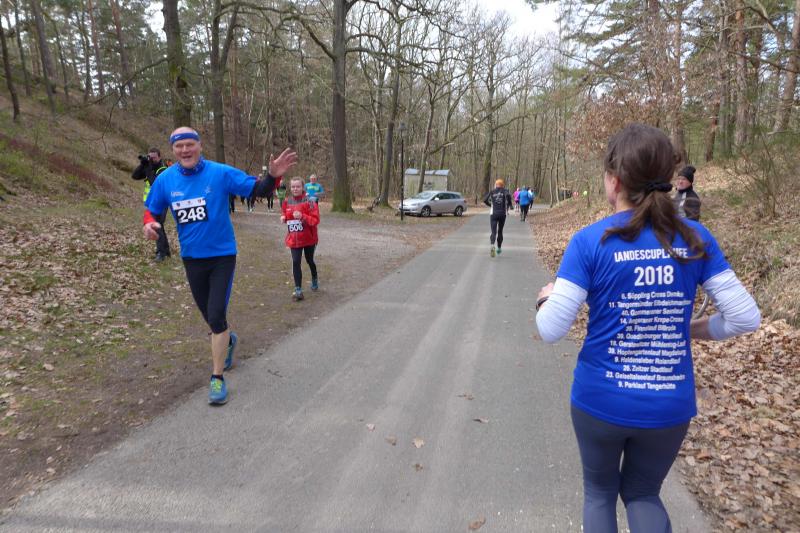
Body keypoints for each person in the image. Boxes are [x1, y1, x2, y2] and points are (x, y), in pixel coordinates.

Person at [535, 123, 760, 533]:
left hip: (600, 400)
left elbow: (551, 329)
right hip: (668, 405)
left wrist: (546, 298)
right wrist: (689, 330)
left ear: (614, 180)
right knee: (642, 494)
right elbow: (745, 317)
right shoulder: (694, 237)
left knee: (599, 494)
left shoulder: (590, 241)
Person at [142, 127, 297, 405]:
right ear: (173, 150)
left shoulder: (220, 173)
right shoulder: (166, 179)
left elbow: (257, 189)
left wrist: (273, 176)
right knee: (212, 319)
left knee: (215, 316)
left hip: (222, 256)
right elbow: (152, 209)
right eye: (179, 146)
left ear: (199, 146)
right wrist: (149, 224)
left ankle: (216, 378)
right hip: (192, 258)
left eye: (190, 144)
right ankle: (228, 339)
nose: (185, 150)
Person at [281, 177, 320, 300]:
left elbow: (315, 220)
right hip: (294, 238)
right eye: (293, 187)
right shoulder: (287, 201)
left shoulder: (310, 201)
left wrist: (303, 216)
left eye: (298, 186)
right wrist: (284, 218)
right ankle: (298, 289)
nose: (295, 189)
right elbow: (286, 215)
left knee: (309, 260)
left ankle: (314, 277)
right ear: (290, 188)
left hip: (309, 238)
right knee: (296, 261)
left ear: (303, 187)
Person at [132, 147, 171, 262]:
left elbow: (155, 183)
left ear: (159, 157)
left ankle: (161, 253)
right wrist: (143, 165)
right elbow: (134, 176)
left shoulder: (163, 169)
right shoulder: (149, 166)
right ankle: (166, 250)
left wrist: (148, 168)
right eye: (150, 157)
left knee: (156, 224)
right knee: (159, 225)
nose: (152, 160)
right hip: (152, 202)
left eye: (154, 158)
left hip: (162, 200)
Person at [483, 178, 513, 257]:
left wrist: (490, 205)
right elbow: (508, 196)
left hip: (494, 214)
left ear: (496, 185)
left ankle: (492, 246)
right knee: (500, 231)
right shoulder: (505, 191)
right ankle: (499, 248)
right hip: (502, 214)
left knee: (493, 232)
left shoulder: (492, 191)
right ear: (502, 185)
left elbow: (485, 200)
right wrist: (510, 205)